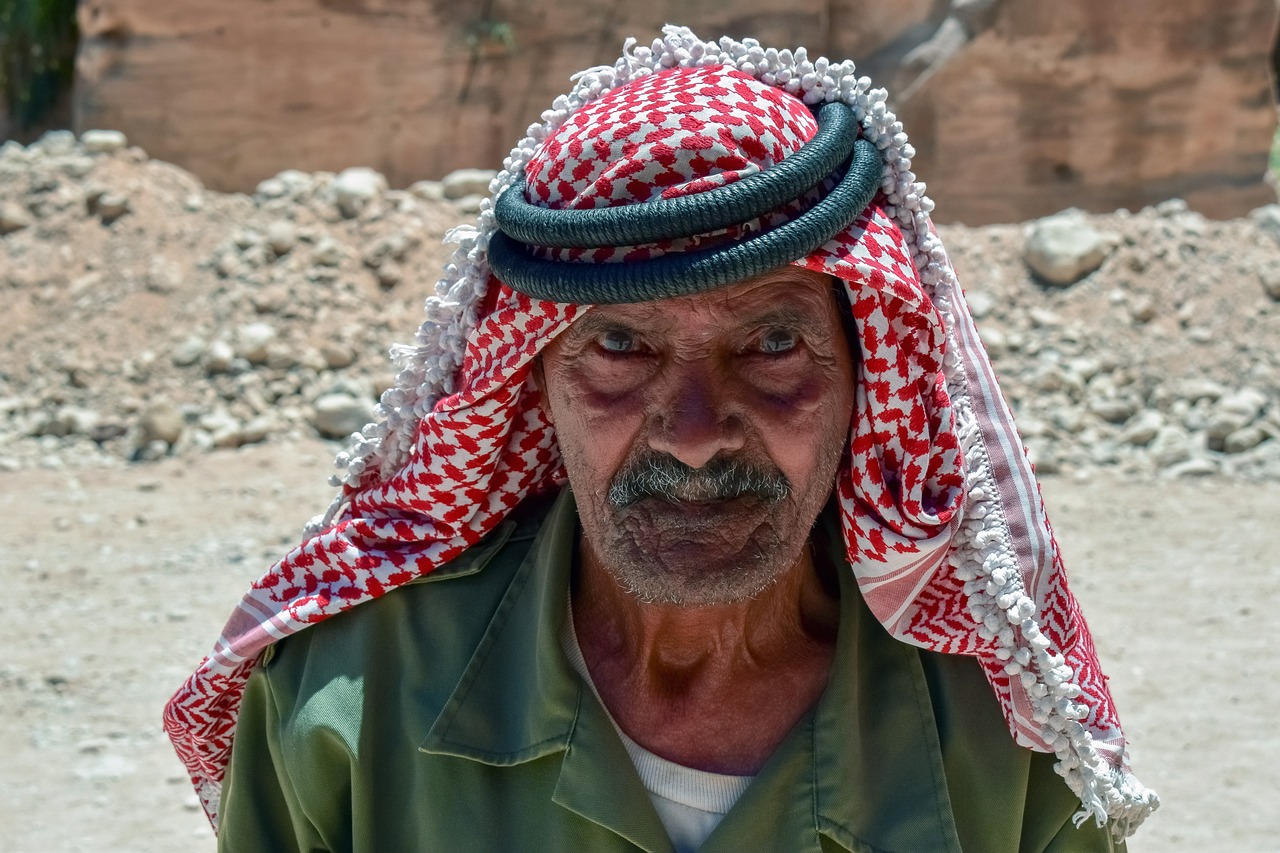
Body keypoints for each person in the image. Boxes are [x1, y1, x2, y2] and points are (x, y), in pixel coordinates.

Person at [165, 26, 1158, 851]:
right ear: (534, 379)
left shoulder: (999, 741)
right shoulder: (344, 707)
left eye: (771, 343)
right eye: (618, 345)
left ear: (863, 380)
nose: (690, 434)